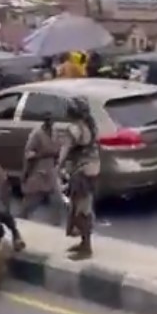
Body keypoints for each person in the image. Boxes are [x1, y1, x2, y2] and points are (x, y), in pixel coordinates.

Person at [58, 97, 101, 259]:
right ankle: (84, 243)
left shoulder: (75, 129)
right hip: (93, 169)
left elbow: (65, 150)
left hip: (81, 172)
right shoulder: (91, 125)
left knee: (80, 210)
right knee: (85, 207)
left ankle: (86, 248)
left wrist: (58, 167)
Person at [20, 113, 62, 225]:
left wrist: (57, 158)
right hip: (38, 170)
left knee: (57, 201)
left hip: (51, 170)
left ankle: (55, 225)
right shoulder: (37, 134)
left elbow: (58, 149)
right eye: (48, 120)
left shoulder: (55, 132)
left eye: (52, 120)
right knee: (32, 200)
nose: (50, 123)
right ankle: (21, 220)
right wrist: (41, 154)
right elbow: (28, 154)